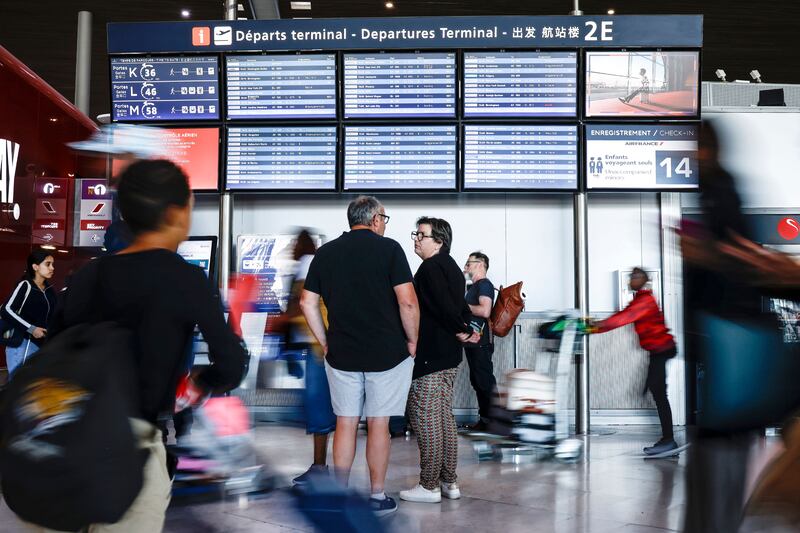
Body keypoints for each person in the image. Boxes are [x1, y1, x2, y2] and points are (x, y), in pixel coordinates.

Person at [44, 160, 248, 532]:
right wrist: (197, 384)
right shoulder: (185, 278)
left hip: (61, 448)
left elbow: (53, 353)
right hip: (129, 451)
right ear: (174, 213)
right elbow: (232, 363)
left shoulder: (86, 276)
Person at [300, 195, 419, 517]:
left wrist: (325, 341)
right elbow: (407, 302)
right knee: (378, 424)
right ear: (376, 218)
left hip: (342, 354)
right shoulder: (390, 249)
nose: (385, 224)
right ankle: (377, 496)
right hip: (387, 353)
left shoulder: (325, 253)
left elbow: (307, 303)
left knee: (345, 423)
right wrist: (412, 341)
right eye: (385, 218)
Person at [400, 217, 477, 504]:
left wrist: (461, 329)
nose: (416, 239)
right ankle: (449, 481)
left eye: (422, 235)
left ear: (439, 241)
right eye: (416, 234)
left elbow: (446, 308)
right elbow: (460, 307)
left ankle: (428, 485)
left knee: (425, 417)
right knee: (443, 417)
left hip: (432, 354)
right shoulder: (454, 268)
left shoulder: (430, 268)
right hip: (450, 356)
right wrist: (468, 329)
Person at [590, 268, 678, 455]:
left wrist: (595, 327)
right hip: (657, 351)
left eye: (634, 277)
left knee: (660, 394)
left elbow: (623, 318)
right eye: (630, 277)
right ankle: (667, 438)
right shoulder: (641, 299)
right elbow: (624, 315)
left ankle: (668, 440)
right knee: (656, 390)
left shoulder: (644, 300)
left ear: (642, 280)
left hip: (662, 349)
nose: (630, 280)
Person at [281, 230, 337, 485]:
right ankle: (320, 466)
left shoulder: (306, 264)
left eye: (294, 243)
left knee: (318, 408)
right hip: (317, 345)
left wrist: (280, 320)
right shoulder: (316, 264)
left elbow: (303, 303)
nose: (292, 248)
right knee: (319, 408)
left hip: (317, 347)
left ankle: (320, 467)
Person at [3, 249, 57, 378]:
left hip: (42, 346)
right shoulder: (25, 285)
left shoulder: (50, 291)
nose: (52, 268)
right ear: (35, 267)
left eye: (53, 264)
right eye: (48, 264)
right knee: (18, 388)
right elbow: (6, 310)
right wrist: (31, 329)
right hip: (22, 345)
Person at [462, 251, 496, 432]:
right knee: (478, 381)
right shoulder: (473, 287)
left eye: (469, 263)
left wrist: (460, 305)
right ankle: (485, 421)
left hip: (481, 342)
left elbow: (485, 311)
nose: (466, 267)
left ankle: (495, 423)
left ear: (481, 265)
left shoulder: (484, 285)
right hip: (472, 342)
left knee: (485, 381)